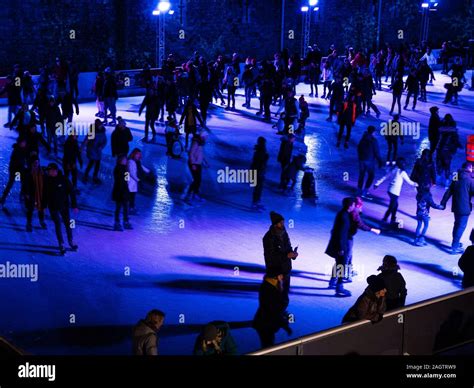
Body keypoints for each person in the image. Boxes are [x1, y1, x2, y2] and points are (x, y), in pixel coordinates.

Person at [263, 211, 298, 310]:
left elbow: (288, 247)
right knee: (275, 295)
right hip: (275, 271)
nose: (283, 224)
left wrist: (293, 254)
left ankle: (282, 312)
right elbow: (270, 256)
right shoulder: (268, 238)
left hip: (286, 269)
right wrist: (287, 255)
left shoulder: (284, 233)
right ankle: (273, 315)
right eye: (281, 222)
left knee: (284, 294)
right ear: (275, 224)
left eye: (283, 222)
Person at [42, 163, 78, 255]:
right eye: (48, 171)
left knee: (68, 224)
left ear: (55, 171)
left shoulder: (64, 179)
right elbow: (45, 194)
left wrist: (74, 205)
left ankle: (70, 241)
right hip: (53, 207)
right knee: (58, 224)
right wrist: (44, 206)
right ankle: (61, 243)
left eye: (51, 171)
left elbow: (72, 192)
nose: (49, 172)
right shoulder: (46, 180)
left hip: (64, 206)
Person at [252, 270, 292, 349]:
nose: (284, 279)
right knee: (268, 346)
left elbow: (275, 309)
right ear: (278, 277)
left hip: (266, 323)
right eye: (283, 277)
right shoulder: (270, 289)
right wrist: (285, 325)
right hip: (266, 324)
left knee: (268, 345)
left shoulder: (271, 287)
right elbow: (273, 311)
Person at [441, 162, 474, 254]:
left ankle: (454, 243)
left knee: (456, 224)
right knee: (461, 226)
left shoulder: (456, 176)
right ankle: (454, 247)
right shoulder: (470, 180)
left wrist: (443, 202)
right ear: (469, 168)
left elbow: (450, 190)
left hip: (456, 206)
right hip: (464, 208)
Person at [374, 157, 418, 225]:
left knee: (395, 205)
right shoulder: (402, 172)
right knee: (392, 206)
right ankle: (385, 219)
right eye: (404, 163)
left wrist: (377, 183)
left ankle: (392, 218)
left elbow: (385, 176)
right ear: (401, 164)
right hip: (395, 192)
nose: (405, 164)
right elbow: (409, 182)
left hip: (390, 190)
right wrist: (417, 184)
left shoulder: (394, 169)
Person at [326, 197, 356, 296]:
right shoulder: (344, 216)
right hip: (341, 246)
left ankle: (334, 282)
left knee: (339, 264)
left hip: (339, 244)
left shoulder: (343, 214)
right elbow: (341, 234)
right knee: (341, 265)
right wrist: (341, 248)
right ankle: (339, 287)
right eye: (353, 205)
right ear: (350, 206)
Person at [347, 197, 381, 280]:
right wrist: (373, 230)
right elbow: (360, 224)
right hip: (346, 237)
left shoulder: (350, 212)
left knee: (348, 256)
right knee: (345, 257)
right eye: (360, 206)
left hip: (347, 236)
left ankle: (348, 272)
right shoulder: (354, 213)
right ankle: (338, 280)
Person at [0, 138, 29, 208]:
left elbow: (25, 159)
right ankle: (3, 198)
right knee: (11, 183)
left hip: (20, 169)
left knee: (24, 182)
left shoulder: (24, 149)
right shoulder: (16, 150)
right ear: (20, 143)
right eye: (23, 142)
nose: (24, 144)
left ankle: (22, 196)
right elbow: (14, 162)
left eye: (25, 142)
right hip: (15, 169)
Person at [357, 125, 383, 199]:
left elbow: (358, 148)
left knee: (361, 175)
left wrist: (360, 157)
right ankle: (365, 191)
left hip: (362, 160)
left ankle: (359, 191)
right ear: (373, 132)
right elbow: (376, 152)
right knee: (371, 176)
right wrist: (380, 161)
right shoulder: (373, 140)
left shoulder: (363, 139)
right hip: (369, 161)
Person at [436, 114, 462, 188]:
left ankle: (438, 180)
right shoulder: (453, 133)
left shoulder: (441, 132)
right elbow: (456, 141)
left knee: (439, 165)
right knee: (448, 166)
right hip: (447, 152)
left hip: (440, 150)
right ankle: (447, 182)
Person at [23, 156, 47, 232]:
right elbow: (24, 183)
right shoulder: (28, 172)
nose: (36, 164)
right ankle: (29, 223)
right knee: (30, 209)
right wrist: (26, 193)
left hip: (41, 193)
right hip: (31, 194)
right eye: (34, 163)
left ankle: (42, 221)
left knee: (41, 208)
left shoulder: (43, 171)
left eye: (37, 162)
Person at [184, 133, 208, 204]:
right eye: (205, 137)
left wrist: (204, 161)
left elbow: (200, 154)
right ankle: (188, 196)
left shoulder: (200, 143)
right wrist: (193, 164)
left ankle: (195, 195)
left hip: (198, 164)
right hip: (193, 164)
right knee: (196, 180)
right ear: (202, 137)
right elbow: (191, 154)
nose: (206, 139)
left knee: (198, 180)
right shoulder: (196, 143)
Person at [82, 120, 107, 184]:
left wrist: (101, 146)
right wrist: (82, 148)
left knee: (97, 165)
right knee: (91, 163)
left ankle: (95, 177)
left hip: (98, 151)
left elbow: (105, 140)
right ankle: (85, 176)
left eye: (101, 125)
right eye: (99, 125)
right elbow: (86, 140)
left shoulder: (103, 132)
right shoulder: (92, 132)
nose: (101, 126)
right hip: (92, 150)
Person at [127, 148, 151, 215]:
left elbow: (142, 167)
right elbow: (131, 173)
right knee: (130, 196)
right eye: (137, 154)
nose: (138, 155)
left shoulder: (137, 162)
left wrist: (149, 172)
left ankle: (131, 208)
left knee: (132, 196)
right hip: (130, 182)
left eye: (139, 154)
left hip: (134, 183)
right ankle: (129, 208)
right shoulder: (131, 162)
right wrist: (138, 180)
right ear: (134, 154)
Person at [112, 155, 132, 231]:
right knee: (118, 208)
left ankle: (125, 221)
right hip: (119, 191)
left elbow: (127, 180)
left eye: (126, 160)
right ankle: (117, 223)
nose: (125, 161)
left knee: (126, 208)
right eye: (124, 159)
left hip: (125, 191)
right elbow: (118, 180)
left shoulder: (126, 169)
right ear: (120, 160)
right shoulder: (117, 168)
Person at [251, 137, 269, 211]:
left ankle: (257, 202)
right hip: (258, 172)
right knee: (257, 188)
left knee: (259, 188)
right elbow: (258, 163)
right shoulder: (260, 151)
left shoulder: (261, 150)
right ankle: (255, 203)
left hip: (260, 172)